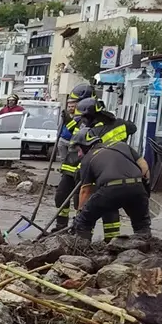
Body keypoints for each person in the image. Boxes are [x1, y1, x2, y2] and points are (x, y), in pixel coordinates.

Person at [70, 120, 151, 242]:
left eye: (79, 150)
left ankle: (81, 249)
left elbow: (85, 191)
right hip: (137, 187)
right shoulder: (121, 145)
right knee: (142, 224)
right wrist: (143, 193)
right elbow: (144, 167)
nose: (79, 154)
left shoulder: (88, 159)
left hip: (111, 191)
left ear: (86, 145)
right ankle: (144, 248)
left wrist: (80, 214)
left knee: (84, 221)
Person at [51, 83, 95, 231]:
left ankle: (77, 227)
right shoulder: (78, 118)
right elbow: (69, 133)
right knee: (61, 196)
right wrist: (67, 120)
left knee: (80, 201)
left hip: (84, 168)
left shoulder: (94, 120)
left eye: (75, 103)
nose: (72, 106)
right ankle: (61, 225)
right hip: (70, 165)